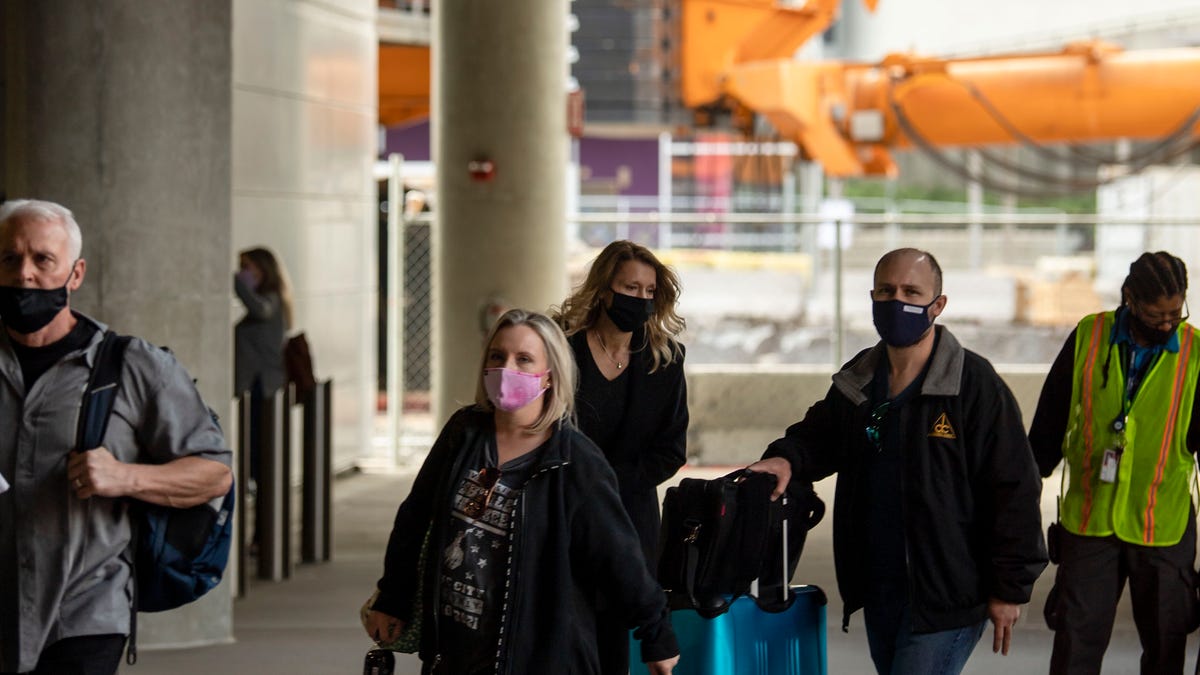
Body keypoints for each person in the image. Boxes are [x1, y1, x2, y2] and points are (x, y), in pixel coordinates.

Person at [748, 248, 1047, 675]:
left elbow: (1014, 488)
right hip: (881, 588)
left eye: (911, 291)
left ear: (938, 305)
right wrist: (786, 459)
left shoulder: (974, 386)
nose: (896, 301)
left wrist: (1010, 588)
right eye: (886, 291)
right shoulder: (862, 379)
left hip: (947, 596)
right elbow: (820, 436)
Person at [365, 309, 679, 675]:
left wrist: (656, 633)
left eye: (524, 359)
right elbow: (416, 516)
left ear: (549, 376)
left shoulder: (575, 461)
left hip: (538, 657)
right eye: (498, 356)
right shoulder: (464, 433)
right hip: (453, 652)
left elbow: (619, 557)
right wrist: (392, 597)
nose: (506, 368)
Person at [0, 199, 233, 675]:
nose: (24, 274)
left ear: (75, 273)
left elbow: (214, 474)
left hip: (85, 611)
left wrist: (124, 477)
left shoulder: (132, 366)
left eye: (43, 260)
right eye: (9, 259)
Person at [1030, 251, 1200, 675]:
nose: (1166, 325)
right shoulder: (1089, 336)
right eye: (1156, 314)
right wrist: (1021, 492)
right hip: (1089, 521)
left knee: (1166, 646)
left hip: (1162, 524)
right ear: (1129, 298)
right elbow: (1049, 424)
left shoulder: (1196, 354)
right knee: (1075, 644)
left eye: (1175, 314)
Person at [552, 240, 689, 674]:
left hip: (630, 521)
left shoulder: (665, 359)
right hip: (562, 518)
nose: (642, 300)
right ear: (604, 290)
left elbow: (671, 450)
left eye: (650, 292)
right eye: (631, 288)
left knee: (613, 646)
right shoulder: (563, 354)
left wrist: (610, 482)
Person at [233, 246, 292, 485]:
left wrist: (238, 284)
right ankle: (258, 483)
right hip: (256, 382)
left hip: (262, 383)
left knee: (259, 437)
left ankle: (259, 484)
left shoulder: (270, 300)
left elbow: (259, 309)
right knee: (254, 436)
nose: (242, 273)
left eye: (247, 267)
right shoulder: (271, 300)